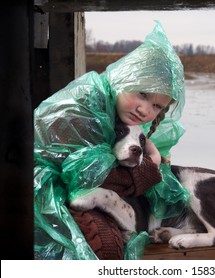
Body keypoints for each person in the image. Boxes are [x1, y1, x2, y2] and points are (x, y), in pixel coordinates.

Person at [34, 21, 189, 260]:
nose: (144, 109)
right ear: (122, 79)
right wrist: (152, 163)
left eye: (157, 106)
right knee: (103, 242)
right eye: (142, 94)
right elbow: (90, 177)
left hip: (78, 187)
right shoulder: (85, 106)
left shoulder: (117, 108)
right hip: (41, 188)